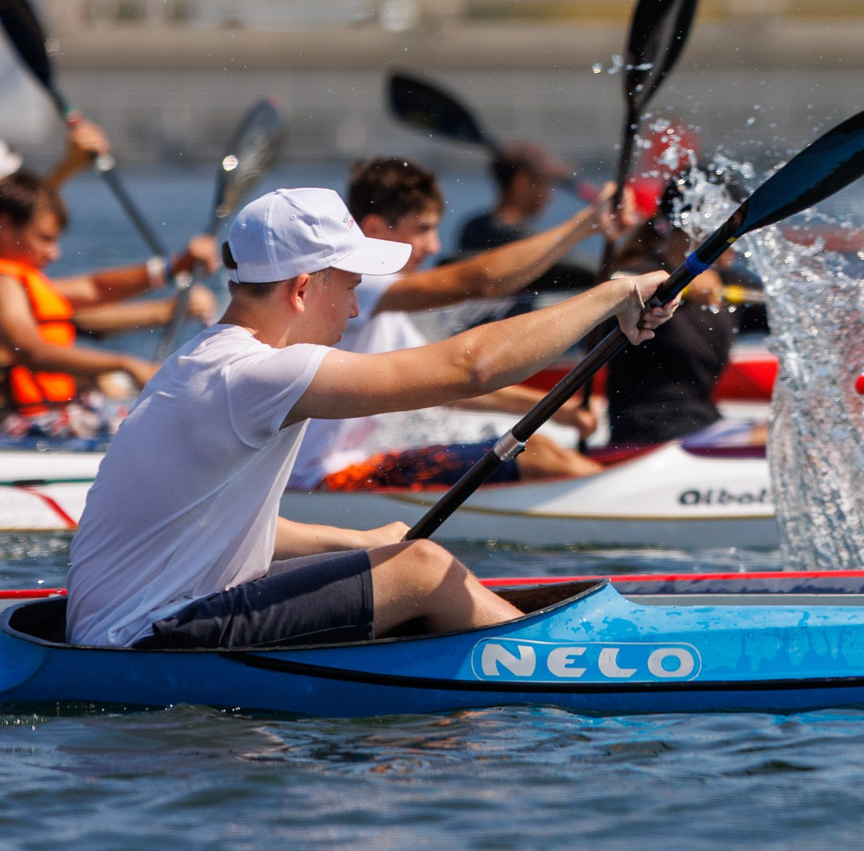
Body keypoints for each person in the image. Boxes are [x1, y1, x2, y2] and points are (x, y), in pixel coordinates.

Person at [63, 188, 666, 650]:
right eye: (349, 287)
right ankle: (573, 665)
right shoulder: (259, 373)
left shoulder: (197, 360)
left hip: (122, 628)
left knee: (397, 559)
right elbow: (471, 366)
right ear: (302, 288)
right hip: (145, 642)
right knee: (423, 570)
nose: (355, 308)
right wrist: (613, 295)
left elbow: (225, 527)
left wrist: (357, 542)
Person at [288, 158, 632, 493]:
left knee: (541, 448)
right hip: (324, 482)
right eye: (423, 229)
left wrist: (556, 410)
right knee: (538, 455)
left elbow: (450, 384)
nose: (435, 246)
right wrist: (586, 223)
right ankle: (629, 504)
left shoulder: (385, 311)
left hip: (352, 467)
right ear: (376, 230)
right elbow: (481, 280)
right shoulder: (360, 285)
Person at [0, 172, 218, 416]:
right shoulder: (4, 282)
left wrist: (176, 266)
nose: (54, 254)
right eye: (45, 239)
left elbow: (96, 288)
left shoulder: (19, 280)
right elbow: (31, 351)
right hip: (15, 423)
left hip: (41, 411)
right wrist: (125, 364)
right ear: (5, 225)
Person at [598, 216, 735, 448]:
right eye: (734, 234)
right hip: (645, 432)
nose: (737, 246)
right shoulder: (640, 274)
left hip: (700, 423)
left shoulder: (727, 283)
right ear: (698, 229)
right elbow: (608, 292)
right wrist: (684, 288)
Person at [456, 141, 576, 255]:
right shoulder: (528, 241)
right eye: (546, 183)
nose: (551, 194)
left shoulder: (471, 228)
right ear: (521, 182)